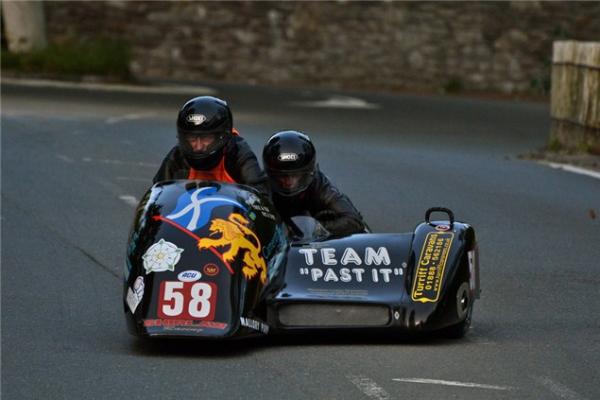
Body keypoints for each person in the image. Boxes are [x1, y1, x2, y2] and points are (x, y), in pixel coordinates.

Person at [262, 130, 369, 238]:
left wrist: (317, 228)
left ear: (309, 172)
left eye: (295, 175)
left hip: (315, 239)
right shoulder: (262, 186)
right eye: (282, 176)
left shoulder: (319, 184)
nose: (289, 182)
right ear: (271, 174)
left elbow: (354, 220)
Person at [153, 96, 268, 193]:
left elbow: (260, 195)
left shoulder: (237, 152)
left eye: (206, 138)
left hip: (231, 217)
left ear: (223, 136)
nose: (198, 147)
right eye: (192, 139)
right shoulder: (178, 156)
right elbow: (156, 195)